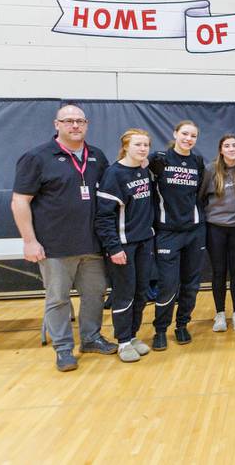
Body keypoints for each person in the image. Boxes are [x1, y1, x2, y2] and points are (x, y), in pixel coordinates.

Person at [11, 104, 117, 371]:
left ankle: (91, 338)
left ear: (87, 124)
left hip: (92, 244)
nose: (75, 125)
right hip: (55, 247)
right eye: (68, 120)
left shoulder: (97, 156)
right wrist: (29, 241)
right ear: (56, 124)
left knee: (95, 295)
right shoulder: (36, 157)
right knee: (58, 299)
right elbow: (20, 201)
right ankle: (63, 348)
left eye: (80, 121)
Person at [95, 128, 155, 363]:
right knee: (124, 294)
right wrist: (114, 248)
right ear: (126, 146)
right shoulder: (114, 174)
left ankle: (132, 335)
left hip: (144, 242)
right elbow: (104, 218)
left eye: (146, 145)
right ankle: (122, 341)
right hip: (123, 246)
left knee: (141, 292)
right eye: (138, 144)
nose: (143, 149)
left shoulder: (143, 170)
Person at [149, 120, 206, 351]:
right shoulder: (159, 160)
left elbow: (198, 193)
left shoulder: (197, 162)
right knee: (168, 285)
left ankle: (182, 325)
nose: (188, 139)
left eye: (193, 136)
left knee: (191, 285)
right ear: (175, 134)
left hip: (194, 232)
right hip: (168, 232)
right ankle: (160, 329)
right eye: (184, 134)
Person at [200, 134, 235, 333]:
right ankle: (220, 314)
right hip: (215, 228)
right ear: (221, 150)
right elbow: (200, 197)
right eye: (227, 146)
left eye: (234, 145)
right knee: (219, 271)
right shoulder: (210, 169)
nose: (231, 149)